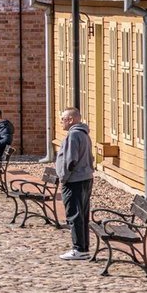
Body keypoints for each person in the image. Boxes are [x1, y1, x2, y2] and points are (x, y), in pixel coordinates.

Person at [55, 107, 94, 261]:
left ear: (71, 119)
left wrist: (63, 177)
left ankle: (78, 248)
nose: (61, 122)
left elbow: (70, 160)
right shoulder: (84, 134)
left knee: (74, 214)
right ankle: (83, 247)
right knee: (82, 214)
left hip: (74, 180)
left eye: (63, 119)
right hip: (85, 178)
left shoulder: (73, 135)